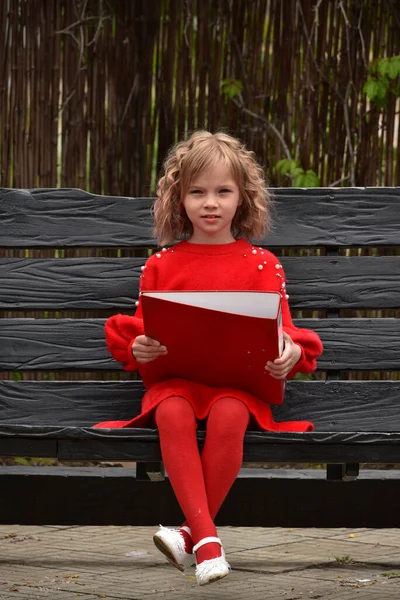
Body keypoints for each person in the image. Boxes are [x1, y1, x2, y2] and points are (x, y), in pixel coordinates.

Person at [93, 131, 323, 586]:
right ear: (180, 199)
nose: (210, 203)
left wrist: (290, 352)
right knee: (172, 411)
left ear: (243, 198)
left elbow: (286, 332)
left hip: (239, 387)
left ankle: (189, 533)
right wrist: (140, 347)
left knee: (231, 413)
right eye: (197, 192)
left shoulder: (262, 264)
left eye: (223, 191)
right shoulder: (163, 264)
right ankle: (209, 543)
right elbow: (143, 330)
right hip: (175, 382)